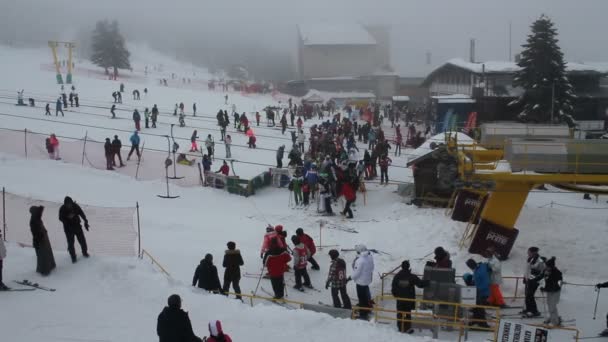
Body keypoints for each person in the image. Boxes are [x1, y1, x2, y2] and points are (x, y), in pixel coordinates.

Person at [391, 260, 430, 333]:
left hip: (400, 300)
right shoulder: (412, 277)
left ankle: (400, 328)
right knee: (408, 314)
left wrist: (396, 296)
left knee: (400, 313)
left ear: (402, 267)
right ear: (408, 267)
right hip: (409, 300)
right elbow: (420, 284)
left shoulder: (397, 276)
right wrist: (428, 282)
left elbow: (393, 288)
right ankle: (407, 328)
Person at [59, 196, 90, 263]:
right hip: (68, 229)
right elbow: (60, 218)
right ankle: (73, 257)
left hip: (77, 227)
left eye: (70, 203)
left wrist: (85, 221)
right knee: (71, 244)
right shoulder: (62, 209)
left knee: (82, 241)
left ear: (72, 202)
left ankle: (85, 253)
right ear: (65, 204)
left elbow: (81, 213)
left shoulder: (75, 206)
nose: (69, 205)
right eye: (67, 204)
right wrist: (68, 218)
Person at [29, 206, 56, 276]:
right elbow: (35, 232)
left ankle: (49, 267)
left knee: (46, 254)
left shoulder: (36, 218)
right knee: (43, 255)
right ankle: (44, 270)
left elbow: (40, 211)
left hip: (43, 238)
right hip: (40, 240)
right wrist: (40, 238)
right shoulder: (34, 220)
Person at [350, 244, 374, 319]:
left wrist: (350, 278)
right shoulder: (370, 257)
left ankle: (363, 314)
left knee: (361, 298)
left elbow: (356, 273)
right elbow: (372, 267)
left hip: (360, 282)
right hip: (367, 280)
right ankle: (368, 308)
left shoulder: (360, 261)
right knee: (366, 296)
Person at [465, 259, 491, 329]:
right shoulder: (478, 268)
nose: (470, 268)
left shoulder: (480, 271)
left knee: (480, 308)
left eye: (469, 266)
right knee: (476, 307)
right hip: (478, 291)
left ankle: (483, 323)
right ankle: (475, 320)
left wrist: (477, 288)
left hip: (483, 292)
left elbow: (486, 283)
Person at [539, 257, 562, 326]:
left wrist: (545, 289)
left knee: (552, 306)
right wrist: (534, 281)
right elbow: (542, 276)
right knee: (550, 305)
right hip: (549, 291)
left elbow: (554, 285)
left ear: (551, 266)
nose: (546, 267)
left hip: (555, 292)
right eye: (546, 266)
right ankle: (553, 318)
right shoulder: (546, 270)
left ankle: (555, 322)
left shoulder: (557, 273)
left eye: (547, 266)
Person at [522, 246, 545, 318]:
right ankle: (528, 309)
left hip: (534, 281)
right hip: (528, 279)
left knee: (530, 295)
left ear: (534, 252)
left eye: (529, 252)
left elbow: (541, 272)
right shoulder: (530, 259)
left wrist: (533, 279)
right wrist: (525, 277)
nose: (528, 253)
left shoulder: (539, 260)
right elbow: (527, 269)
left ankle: (534, 311)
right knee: (527, 295)